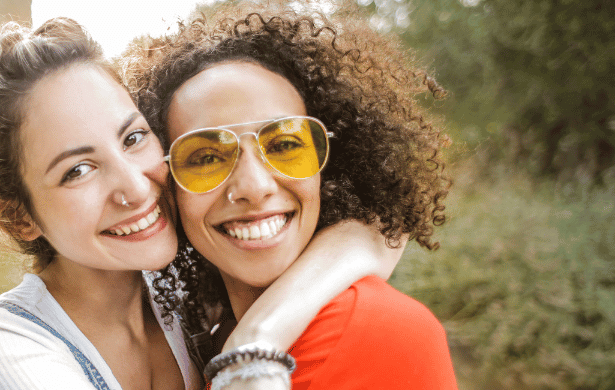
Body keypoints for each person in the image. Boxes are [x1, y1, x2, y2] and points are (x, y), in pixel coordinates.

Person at [0, 17, 406, 390]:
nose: (137, 189)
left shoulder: (193, 299)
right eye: (77, 170)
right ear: (16, 217)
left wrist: (256, 340)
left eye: (134, 137)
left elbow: (380, 232)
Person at [130, 6, 457, 390]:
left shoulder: (372, 329)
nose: (254, 187)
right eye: (205, 157)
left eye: (285, 144)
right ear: (168, 186)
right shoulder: (206, 341)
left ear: (328, 166)